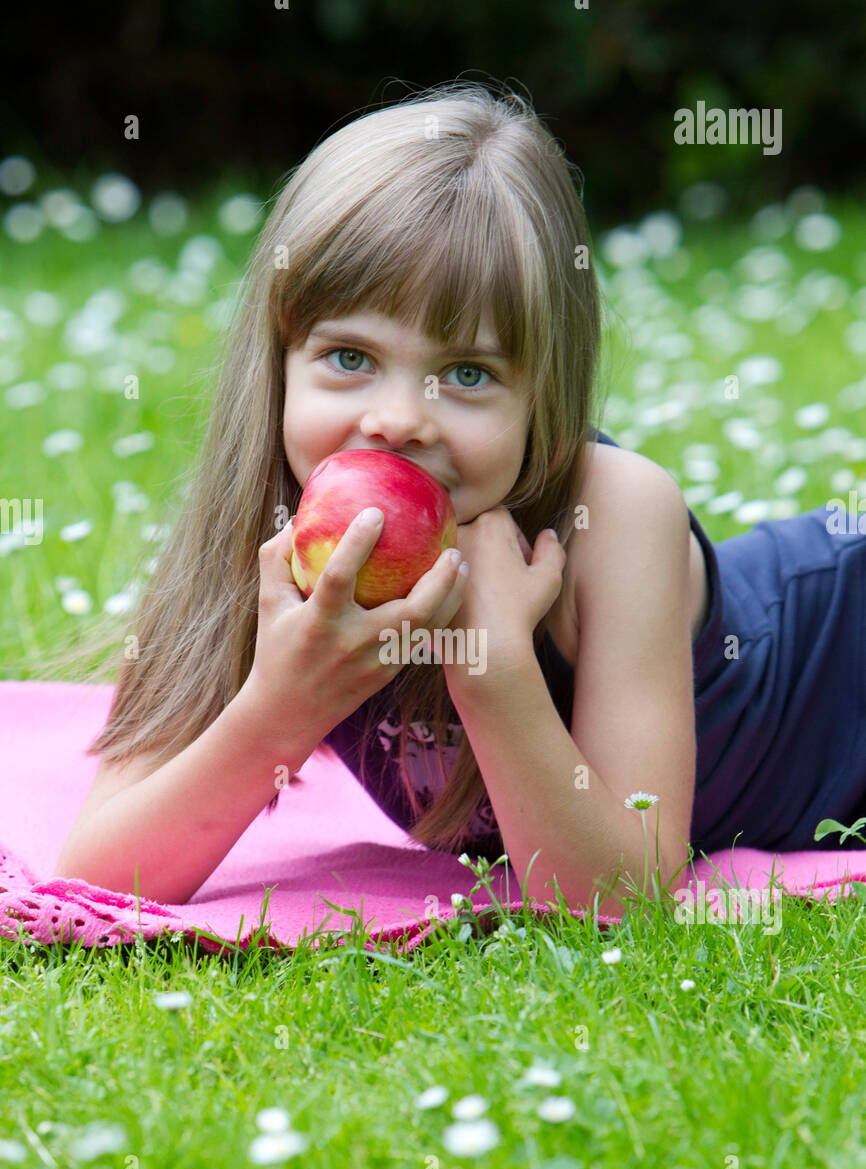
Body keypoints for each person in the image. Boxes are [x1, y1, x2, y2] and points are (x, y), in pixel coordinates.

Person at [52, 79, 866, 911]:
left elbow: (623, 903)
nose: (399, 420)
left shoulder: (612, 517)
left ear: (544, 398)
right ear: (280, 366)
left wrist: (495, 671)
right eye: (349, 357)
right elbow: (96, 879)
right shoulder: (262, 535)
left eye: (467, 373)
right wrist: (284, 704)